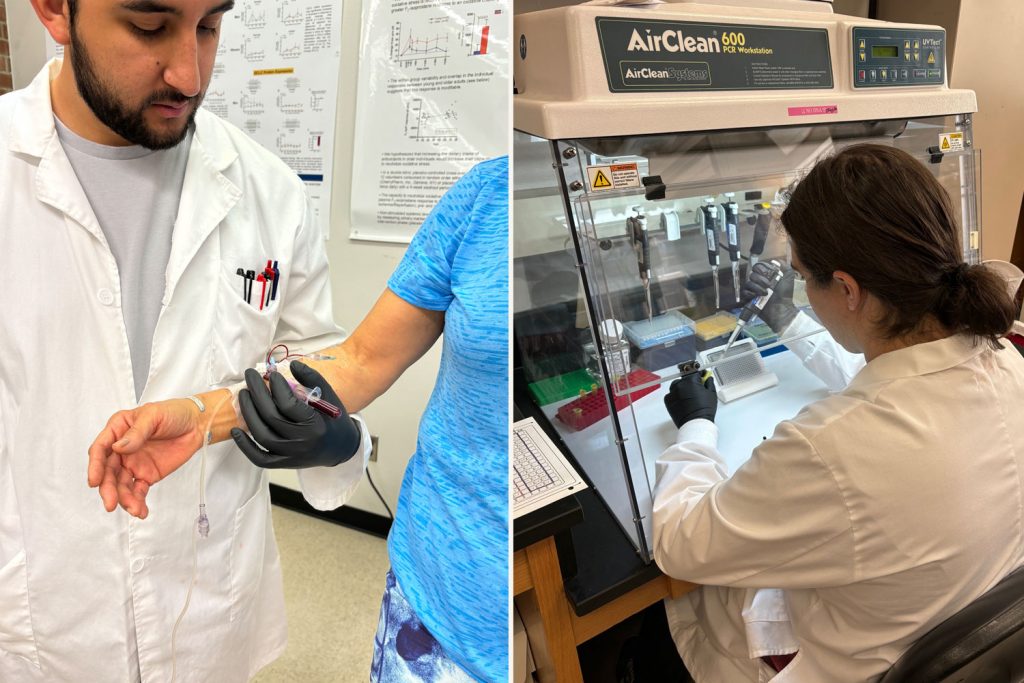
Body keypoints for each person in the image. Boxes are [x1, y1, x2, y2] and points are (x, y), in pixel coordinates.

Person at [0, 1, 371, 680]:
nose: (192, 75)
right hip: (41, 618)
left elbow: (324, 361)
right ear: (55, 9)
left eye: (209, 25)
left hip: (209, 609)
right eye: (149, 27)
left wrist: (332, 435)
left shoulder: (269, 189)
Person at [89, 157, 510, 681]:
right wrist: (199, 417)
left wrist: (325, 440)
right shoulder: (487, 195)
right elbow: (361, 358)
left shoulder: (267, 182)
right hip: (439, 594)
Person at [653, 144, 1024, 682]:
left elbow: (679, 544)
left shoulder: (826, 449)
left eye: (803, 276)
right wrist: (786, 316)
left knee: (680, 613)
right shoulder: (1005, 361)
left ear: (847, 288)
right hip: (947, 631)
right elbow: (894, 377)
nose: (802, 287)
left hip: (847, 664)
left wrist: (694, 427)